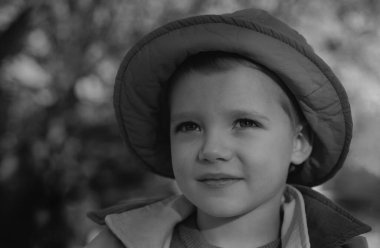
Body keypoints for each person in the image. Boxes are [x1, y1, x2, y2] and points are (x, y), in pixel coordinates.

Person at [85, 8, 371, 248]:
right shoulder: (119, 242)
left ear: (299, 142)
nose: (211, 150)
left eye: (245, 122)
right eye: (189, 126)